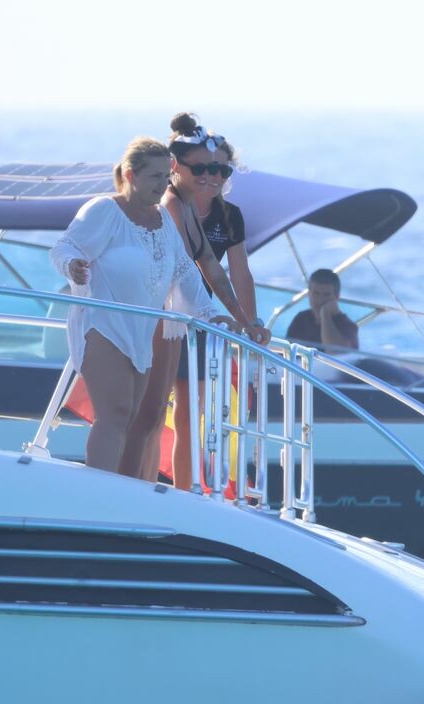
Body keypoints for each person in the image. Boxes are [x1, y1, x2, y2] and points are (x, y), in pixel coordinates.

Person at [51, 137, 234, 476]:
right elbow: (64, 247)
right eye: (155, 176)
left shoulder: (163, 219)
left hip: (142, 334)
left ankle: (124, 492)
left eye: (167, 176)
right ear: (131, 175)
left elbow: (185, 272)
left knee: (137, 419)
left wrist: (212, 315)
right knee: (115, 413)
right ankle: (100, 491)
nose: (163, 184)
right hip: (102, 325)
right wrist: (72, 264)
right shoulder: (104, 210)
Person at [127, 113, 270, 486]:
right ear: (176, 166)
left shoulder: (221, 213)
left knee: (189, 416)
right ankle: (139, 487)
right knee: (151, 413)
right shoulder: (170, 204)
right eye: (202, 168)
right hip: (162, 317)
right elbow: (192, 269)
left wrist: (249, 323)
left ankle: (182, 493)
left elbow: (229, 271)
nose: (212, 176)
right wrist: (233, 318)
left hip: (194, 318)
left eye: (221, 170)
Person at [285, 268, 359, 352]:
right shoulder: (301, 319)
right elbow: (286, 351)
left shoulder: (348, 326)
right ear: (309, 294)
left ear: (337, 296)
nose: (320, 300)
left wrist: (324, 314)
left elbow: (334, 352)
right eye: (316, 293)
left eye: (326, 295)